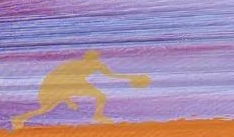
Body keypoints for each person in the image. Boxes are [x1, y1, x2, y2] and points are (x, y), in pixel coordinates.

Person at [10, 50, 150, 128]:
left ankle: (98, 116)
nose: (93, 61)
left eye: (95, 58)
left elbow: (112, 75)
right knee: (46, 108)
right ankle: (19, 118)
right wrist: (67, 99)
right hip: (64, 84)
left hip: (76, 83)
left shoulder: (98, 65)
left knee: (100, 96)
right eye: (91, 58)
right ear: (85, 58)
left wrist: (132, 77)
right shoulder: (73, 64)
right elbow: (57, 78)